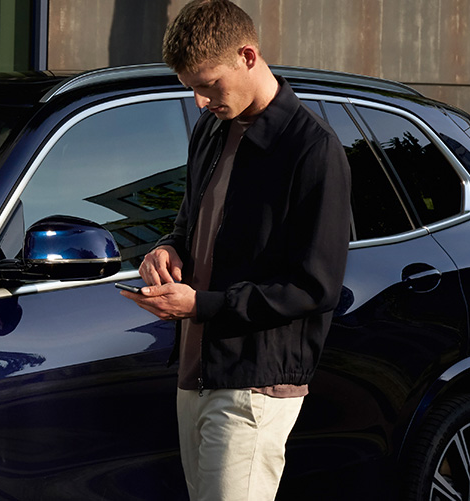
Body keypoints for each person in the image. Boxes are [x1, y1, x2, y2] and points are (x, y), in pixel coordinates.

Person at [118, 1, 351, 499]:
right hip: (195, 370)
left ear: (248, 55)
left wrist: (202, 305)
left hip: (256, 384)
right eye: (193, 89)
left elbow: (315, 286)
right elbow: (190, 220)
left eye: (208, 84)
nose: (200, 102)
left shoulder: (313, 148)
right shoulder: (212, 128)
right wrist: (167, 248)